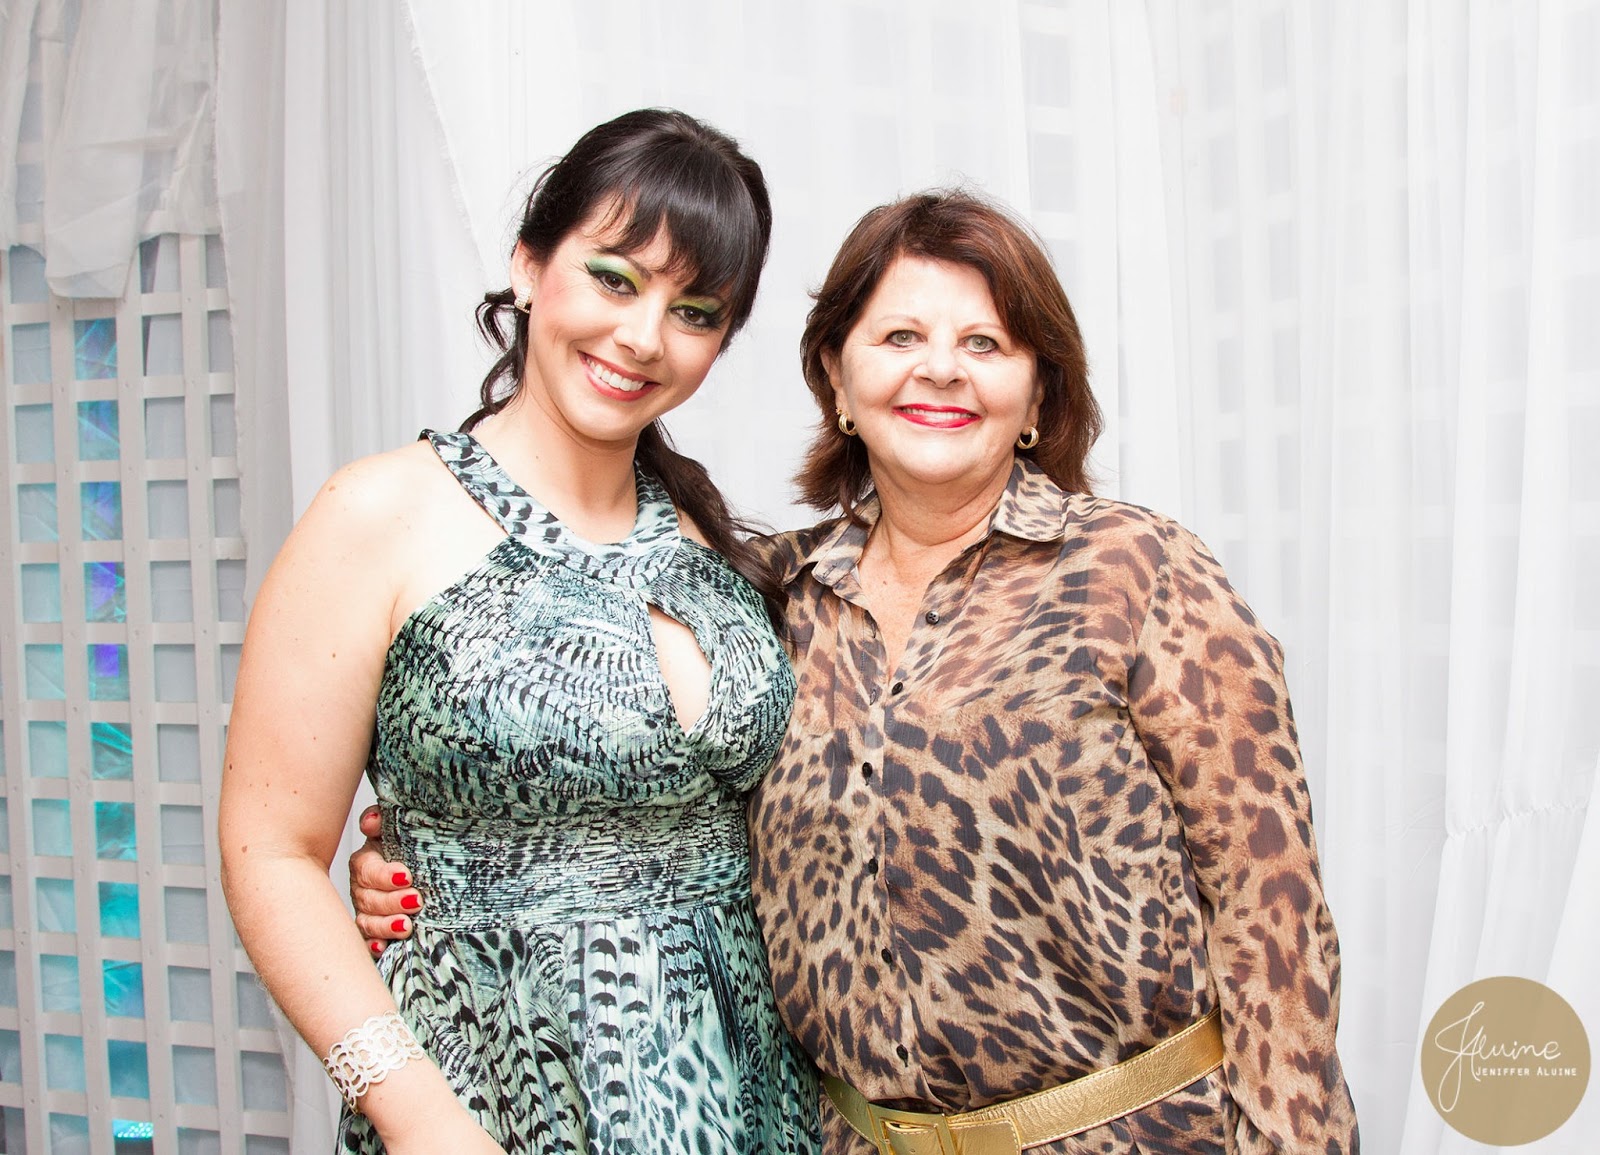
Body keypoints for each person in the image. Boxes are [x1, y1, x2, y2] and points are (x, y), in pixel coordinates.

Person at [353, 191, 1360, 1153]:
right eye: (899, 337)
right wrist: (439, 861)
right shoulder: (765, 599)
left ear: (1037, 391)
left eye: (985, 344)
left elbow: (1271, 911)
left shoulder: (1136, 571)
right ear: (835, 378)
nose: (941, 370)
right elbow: (658, 811)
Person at [218, 108, 821, 1155]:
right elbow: (269, 850)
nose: (643, 337)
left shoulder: (717, 546)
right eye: (615, 279)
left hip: (748, 1102)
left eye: (694, 310)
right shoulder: (379, 513)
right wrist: (415, 1119)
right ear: (529, 263)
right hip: (492, 1102)